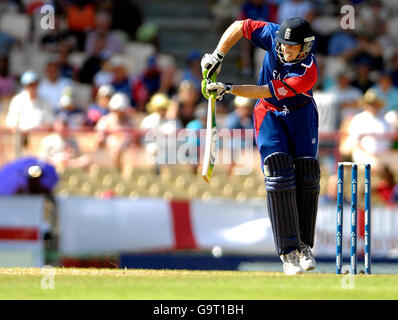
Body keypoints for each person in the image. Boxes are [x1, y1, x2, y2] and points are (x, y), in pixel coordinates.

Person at [201, 17, 320, 275]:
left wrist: (228, 89)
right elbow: (238, 26)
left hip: (301, 115)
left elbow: (266, 89)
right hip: (269, 115)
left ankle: (304, 246)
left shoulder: (307, 72)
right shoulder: (272, 34)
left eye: (292, 47)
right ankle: (288, 253)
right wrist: (217, 56)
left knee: (307, 177)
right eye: (283, 45)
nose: (285, 50)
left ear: (305, 47)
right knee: (279, 175)